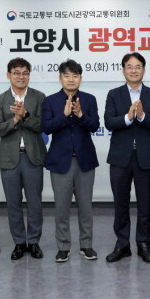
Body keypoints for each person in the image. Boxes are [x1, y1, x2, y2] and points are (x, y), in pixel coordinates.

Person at [103, 53, 150, 263]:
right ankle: (122, 245)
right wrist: (129, 117)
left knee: (145, 205)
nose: (133, 70)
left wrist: (142, 116)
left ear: (143, 70)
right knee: (120, 204)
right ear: (123, 70)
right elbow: (109, 122)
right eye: (129, 66)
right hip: (120, 158)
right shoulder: (114, 94)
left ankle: (143, 244)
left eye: (138, 67)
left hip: (145, 158)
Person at [42, 59, 100, 263]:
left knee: (86, 207)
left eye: (75, 76)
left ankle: (86, 245)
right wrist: (64, 115)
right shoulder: (50, 101)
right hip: (60, 162)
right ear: (60, 78)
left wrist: (81, 115)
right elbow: (47, 127)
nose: (71, 79)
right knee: (61, 208)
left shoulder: (89, 99)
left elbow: (94, 125)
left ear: (80, 78)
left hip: (85, 160)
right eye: (67, 75)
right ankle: (63, 246)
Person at [0, 58, 47, 261]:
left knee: (35, 203)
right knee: (13, 204)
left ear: (29, 75)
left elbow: (43, 126)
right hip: (9, 159)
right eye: (16, 72)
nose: (21, 76)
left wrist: (26, 115)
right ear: (8, 75)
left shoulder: (39, 97)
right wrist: (15, 119)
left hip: (33, 158)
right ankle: (19, 243)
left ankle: (34, 242)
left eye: (25, 73)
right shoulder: (0, 100)